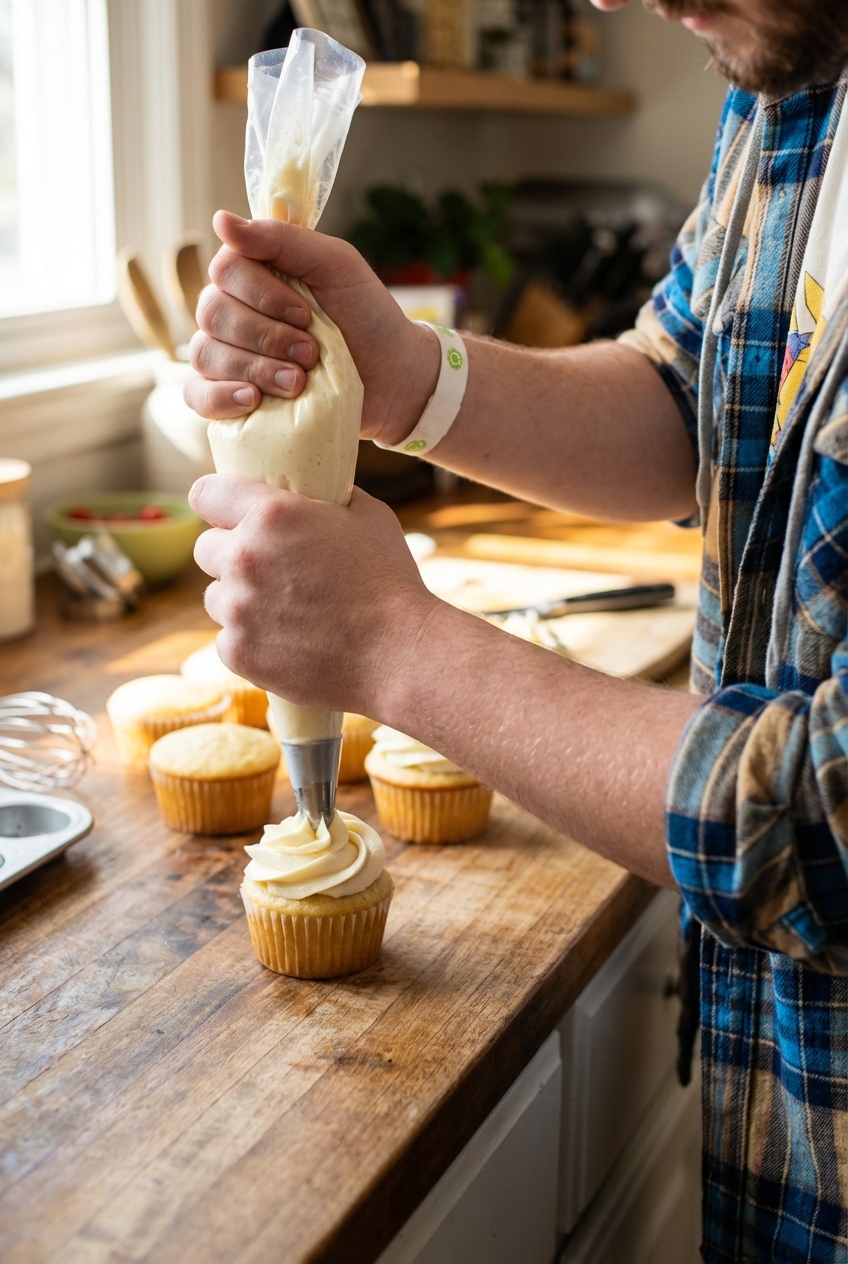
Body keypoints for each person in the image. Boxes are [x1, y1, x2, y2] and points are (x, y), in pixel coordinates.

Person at [185, 1, 848, 1258]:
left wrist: (395, 645)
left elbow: (821, 815)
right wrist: (407, 372)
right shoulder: (789, 79)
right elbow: (691, 397)